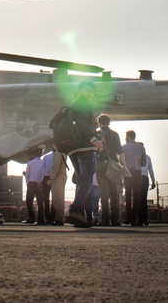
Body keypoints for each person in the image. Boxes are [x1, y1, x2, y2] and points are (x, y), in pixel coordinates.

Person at [63, 82, 103, 228]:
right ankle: (76, 210)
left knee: (82, 182)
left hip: (74, 148)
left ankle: (80, 217)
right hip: (85, 147)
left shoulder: (72, 105)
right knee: (87, 181)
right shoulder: (82, 102)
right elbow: (82, 123)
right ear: (79, 90)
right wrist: (94, 140)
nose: (90, 93)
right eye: (88, 89)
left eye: (92, 92)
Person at [95, 114, 127, 226]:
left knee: (104, 192)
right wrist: (124, 167)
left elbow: (94, 150)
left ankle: (104, 219)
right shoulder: (115, 134)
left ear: (99, 123)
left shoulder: (97, 134)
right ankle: (115, 220)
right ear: (109, 122)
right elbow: (120, 152)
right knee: (114, 192)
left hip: (100, 165)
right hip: (113, 165)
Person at [121, 129, 146, 225]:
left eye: (126, 136)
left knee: (128, 195)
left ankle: (128, 216)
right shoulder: (141, 148)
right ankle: (134, 218)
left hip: (127, 173)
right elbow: (144, 163)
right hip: (137, 173)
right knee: (137, 196)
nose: (125, 138)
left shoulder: (123, 147)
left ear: (129, 136)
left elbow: (120, 161)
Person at [22, 148, 44, 224]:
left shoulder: (30, 162)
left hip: (31, 183)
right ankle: (41, 218)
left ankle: (31, 217)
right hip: (40, 183)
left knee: (29, 201)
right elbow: (43, 173)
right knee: (40, 202)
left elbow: (27, 174)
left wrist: (27, 183)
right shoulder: (42, 162)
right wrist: (40, 181)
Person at [48, 144, 68, 226]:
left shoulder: (57, 154)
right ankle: (59, 218)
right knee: (60, 197)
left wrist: (51, 178)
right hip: (62, 176)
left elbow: (55, 167)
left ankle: (59, 219)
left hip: (58, 177)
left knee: (57, 198)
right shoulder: (63, 154)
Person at [139, 146, 156, 226]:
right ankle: (145, 219)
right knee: (143, 199)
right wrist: (153, 181)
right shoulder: (147, 157)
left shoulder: (136, 156)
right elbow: (151, 170)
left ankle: (139, 218)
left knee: (137, 199)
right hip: (145, 177)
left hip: (137, 177)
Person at [39, 146, 54, 224]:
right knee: (55, 198)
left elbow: (42, 169)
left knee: (46, 199)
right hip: (55, 177)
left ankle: (47, 217)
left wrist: (40, 181)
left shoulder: (46, 157)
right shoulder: (60, 156)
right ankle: (53, 217)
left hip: (45, 177)